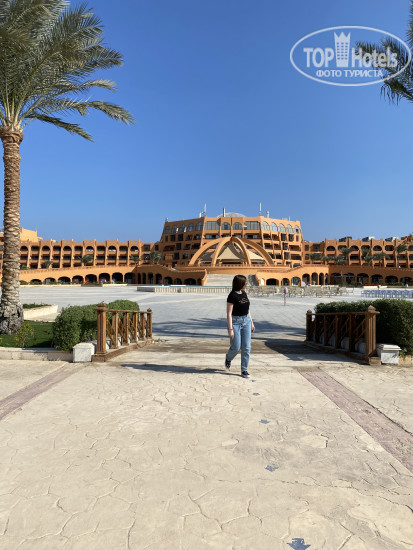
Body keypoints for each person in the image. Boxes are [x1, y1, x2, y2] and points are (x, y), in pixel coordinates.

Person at [225, 275, 255, 378]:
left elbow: (247, 310)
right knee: (236, 347)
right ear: (240, 283)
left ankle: (244, 370)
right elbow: (229, 314)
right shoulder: (232, 295)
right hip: (235, 323)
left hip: (246, 321)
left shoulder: (244, 293)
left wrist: (251, 322)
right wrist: (230, 329)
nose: (246, 284)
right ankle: (228, 358)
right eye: (245, 282)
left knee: (246, 347)